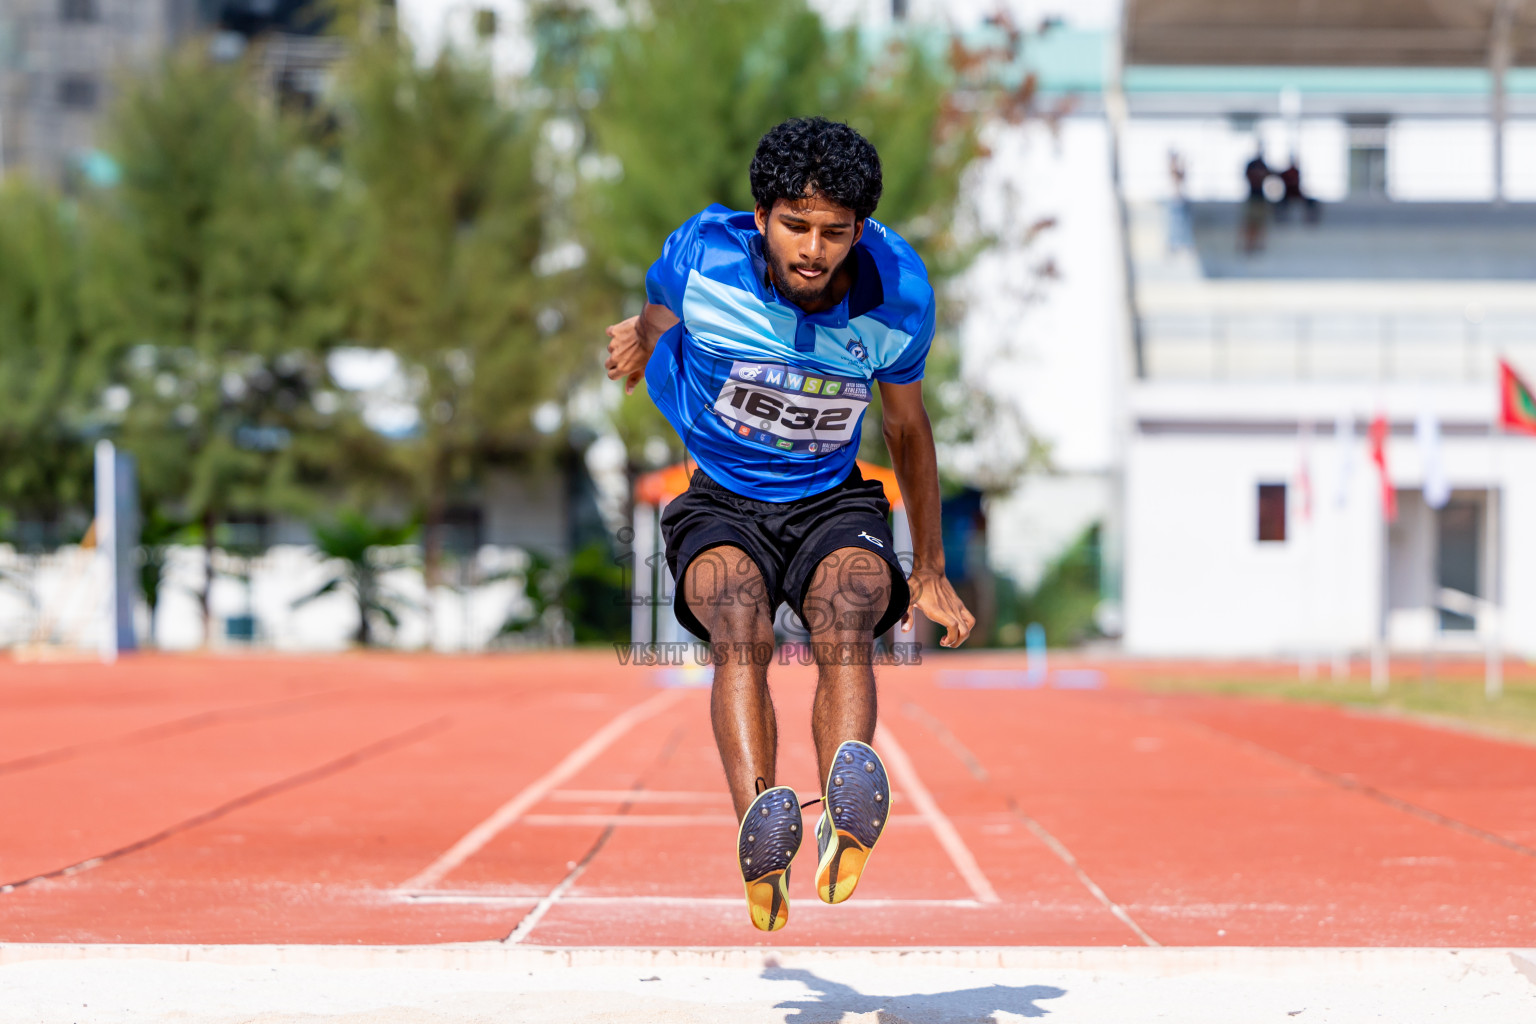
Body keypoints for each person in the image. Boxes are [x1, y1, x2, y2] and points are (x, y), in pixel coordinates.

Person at [604, 117, 975, 932]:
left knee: (849, 612)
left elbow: (908, 430)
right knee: (736, 621)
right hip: (721, 493)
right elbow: (660, 300)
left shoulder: (898, 294)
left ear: (861, 230)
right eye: (795, 226)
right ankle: (762, 832)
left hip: (830, 497)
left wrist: (932, 567)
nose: (814, 250)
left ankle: (845, 815)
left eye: (836, 233)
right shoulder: (702, 254)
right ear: (763, 215)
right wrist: (641, 335)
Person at [1241, 148, 1271, 254]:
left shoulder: (1263, 165)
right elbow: (1248, 176)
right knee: (1251, 222)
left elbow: (1269, 176)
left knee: (1260, 222)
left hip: (1261, 197)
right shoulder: (1252, 165)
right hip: (1253, 197)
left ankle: (1258, 244)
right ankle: (1249, 244)